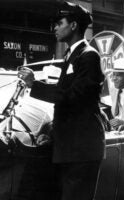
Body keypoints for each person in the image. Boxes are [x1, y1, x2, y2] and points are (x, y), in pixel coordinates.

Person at [18, 1, 105, 199]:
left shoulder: (89, 56)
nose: (55, 28)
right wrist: (52, 134)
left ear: (73, 25)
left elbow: (74, 98)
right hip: (70, 147)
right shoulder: (71, 55)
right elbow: (66, 101)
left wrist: (34, 84)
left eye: (59, 23)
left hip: (82, 150)